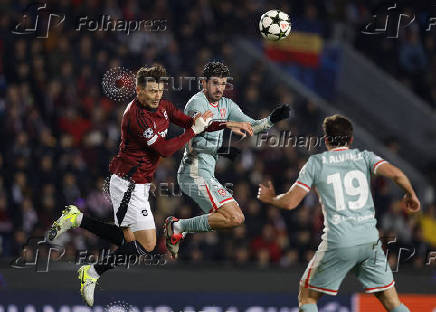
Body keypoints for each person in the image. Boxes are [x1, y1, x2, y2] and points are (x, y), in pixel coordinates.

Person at [48, 64, 250, 306]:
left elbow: (190, 121)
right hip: (126, 185)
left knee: (129, 244)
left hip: (140, 185)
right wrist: (193, 130)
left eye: (160, 91)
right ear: (138, 90)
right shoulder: (135, 117)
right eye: (152, 91)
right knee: (146, 245)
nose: (157, 96)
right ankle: (91, 272)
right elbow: (164, 150)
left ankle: (77, 220)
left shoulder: (163, 106)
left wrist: (224, 124)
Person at [257, 114, 420, 312]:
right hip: (370, 240)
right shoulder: (365, 157)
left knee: (307, 295)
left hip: (339, 239)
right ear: (351, 140)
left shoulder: (316, 163)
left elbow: (291, 203)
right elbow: (397, 174)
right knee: (393, 302)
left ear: (326, 140)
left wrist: (271, 198)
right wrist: (411, 195)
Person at [164, 61, 290, 259]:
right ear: (204, 84)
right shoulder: (195, 103)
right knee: (231, 217)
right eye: (215, 83)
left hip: (207, 174)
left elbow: (251, 126)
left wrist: (272, 119)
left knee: (234, 218)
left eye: (223, 84)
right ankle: (178, 226)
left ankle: (178, 226)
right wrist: (230, 124)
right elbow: (203, 124)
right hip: (193, 172)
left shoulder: (226, 105)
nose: (220, 88)